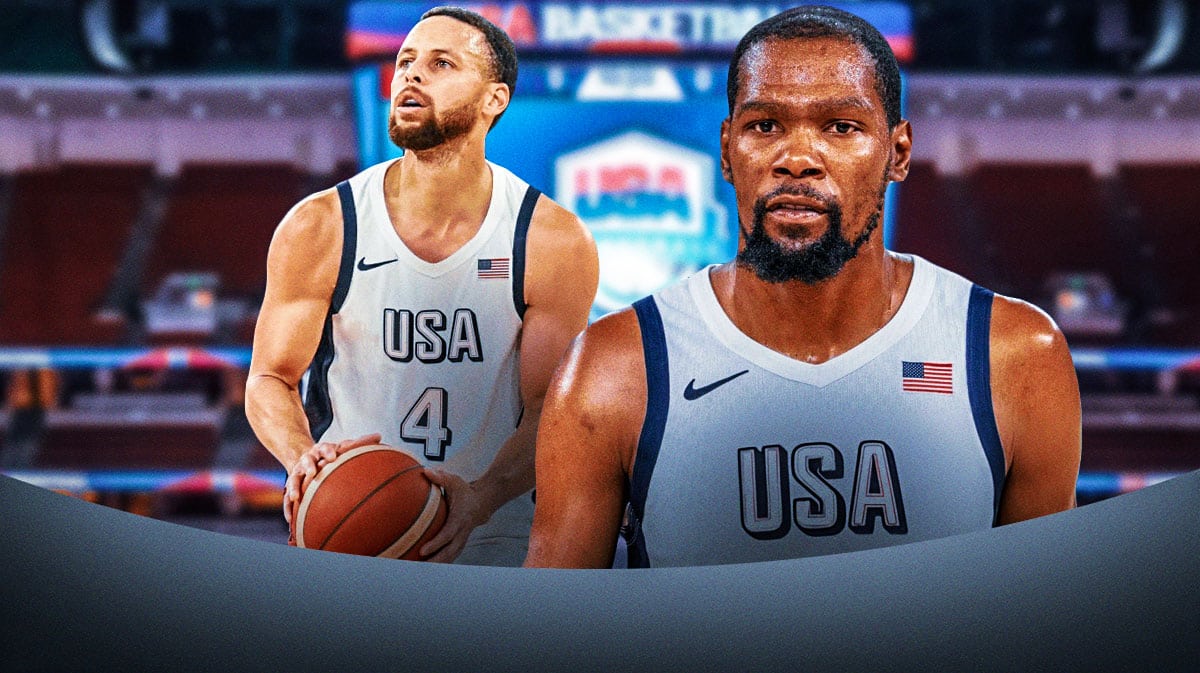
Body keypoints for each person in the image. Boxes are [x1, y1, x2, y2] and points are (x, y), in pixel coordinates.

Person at [524, 5, 1081, 569]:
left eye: (841, 126)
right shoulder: (613, 367)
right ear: (726, 149)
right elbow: (550, 636)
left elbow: (1041, 623)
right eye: (765, 125)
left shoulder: (1013, 354)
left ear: (898, 152)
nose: (796, 159)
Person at [246, 6, 598, 567]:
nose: (410, 75)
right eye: (406, 60)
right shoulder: (322, 225)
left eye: (441, 64)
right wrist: (304, 462)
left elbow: (548, 413)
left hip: (492, 532)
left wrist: (480, 499)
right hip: (353, 529)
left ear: (494, 100)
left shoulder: (550, 239)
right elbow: (269, 378)